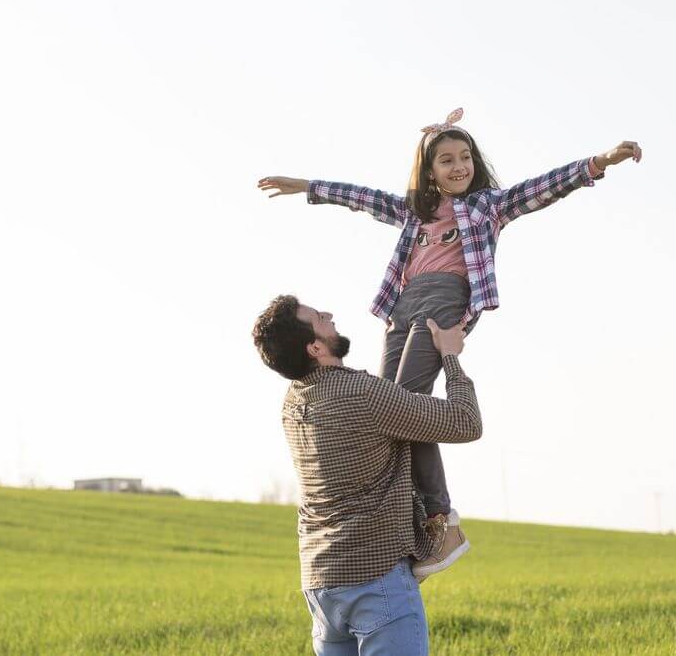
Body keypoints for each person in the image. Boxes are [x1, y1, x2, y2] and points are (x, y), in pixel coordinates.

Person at [258, 108, 641, 579]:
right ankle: (414, 515)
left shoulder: (487, 207)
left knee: (408, 406)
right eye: (446, 160)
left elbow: (541, 189)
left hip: (445, 301)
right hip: (402, 309)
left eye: (465, 158)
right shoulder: (412, 211)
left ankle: (441, 520)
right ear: (430, 170)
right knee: (388, 406)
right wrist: (308, 187)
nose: (458, 166)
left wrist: (600, 161)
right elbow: (361, 197)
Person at [252, 295, 481, 655]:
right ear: (314, 347)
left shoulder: (293, 402)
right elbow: (465, 422)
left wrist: (395, 343)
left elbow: (377, 403)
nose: (328, 314)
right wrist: (450, 357)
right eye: (317, 318)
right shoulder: (362, 394)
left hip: (320, 585)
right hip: (375, 583)